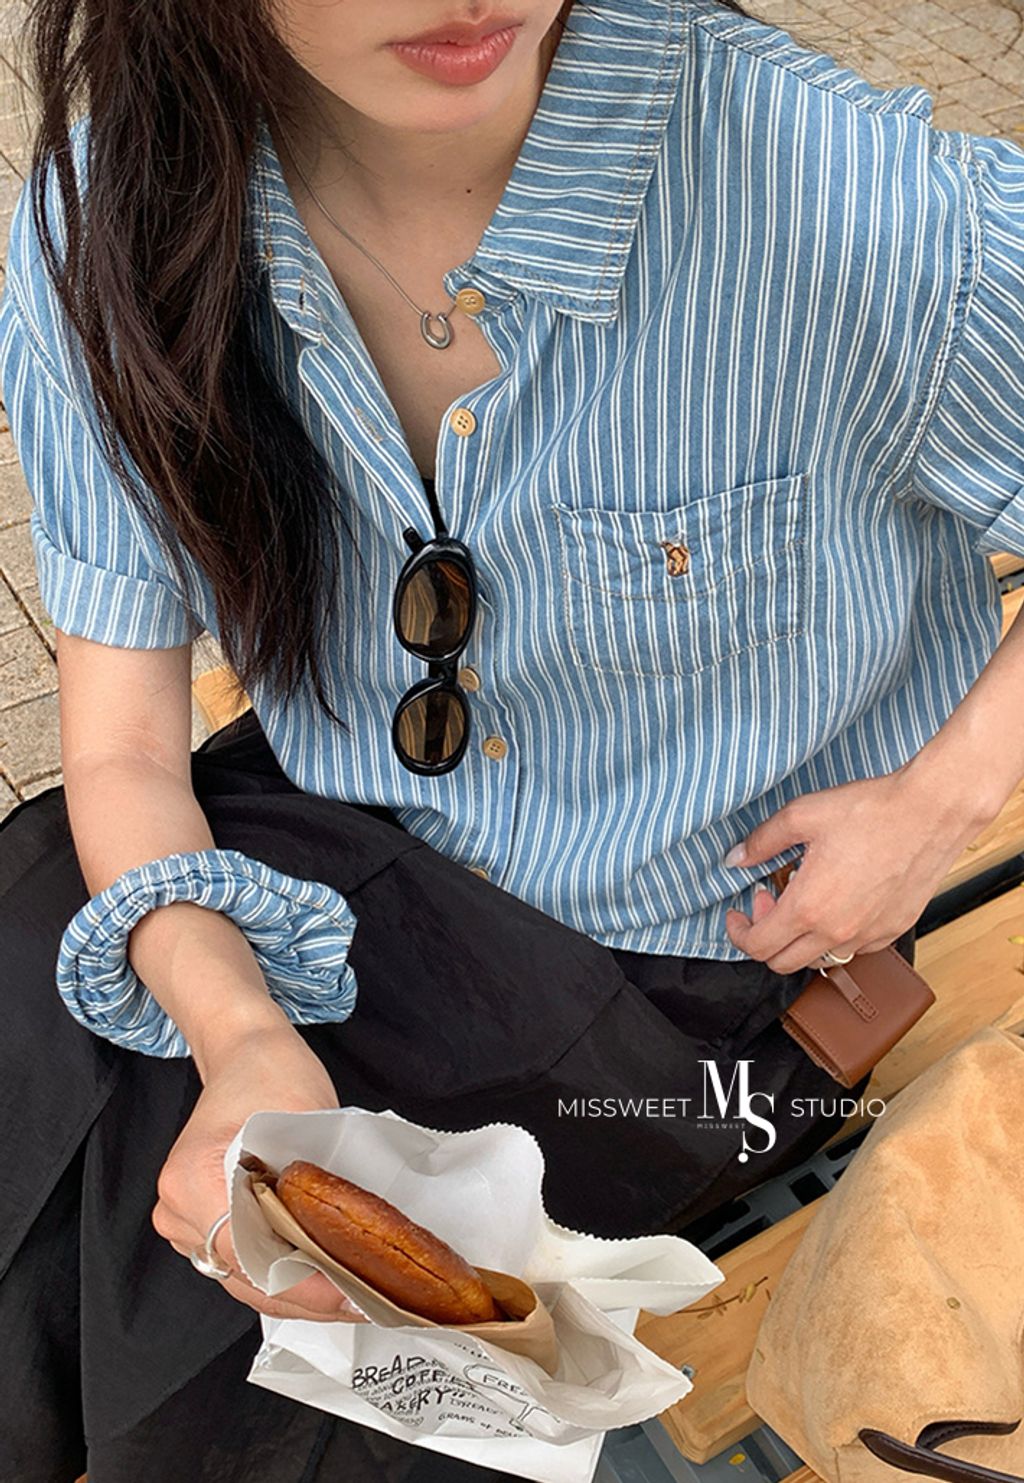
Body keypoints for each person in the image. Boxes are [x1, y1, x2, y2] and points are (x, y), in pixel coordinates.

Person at [1, 0, 1022, 1477]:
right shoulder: (116, 219)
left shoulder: (829, 195)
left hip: (680, 994)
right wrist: (237, 1029)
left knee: (244, 1362)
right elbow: (123, 752)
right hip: (316, 852)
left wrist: (938, 802)